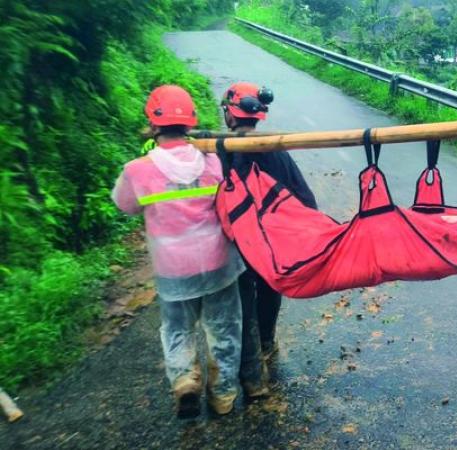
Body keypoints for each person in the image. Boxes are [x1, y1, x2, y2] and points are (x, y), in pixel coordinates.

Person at [112, 85, 244, 418]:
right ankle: (223, 394)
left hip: (172, 269)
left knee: (176, 328)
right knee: (223, 327)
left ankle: (185, 379)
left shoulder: (137, 169)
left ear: (153, 124)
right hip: (218, 261)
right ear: (190, 123)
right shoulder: (211, 160)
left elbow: (125, 206)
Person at [220, 82, 318, 393]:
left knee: (243, 292)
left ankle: (249, 361)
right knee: (268, 285)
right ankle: (265, 341)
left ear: (231, 116)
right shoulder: (274, 150)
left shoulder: (220, 150)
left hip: (240, 239)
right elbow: (304, 196)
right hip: (271, 240)